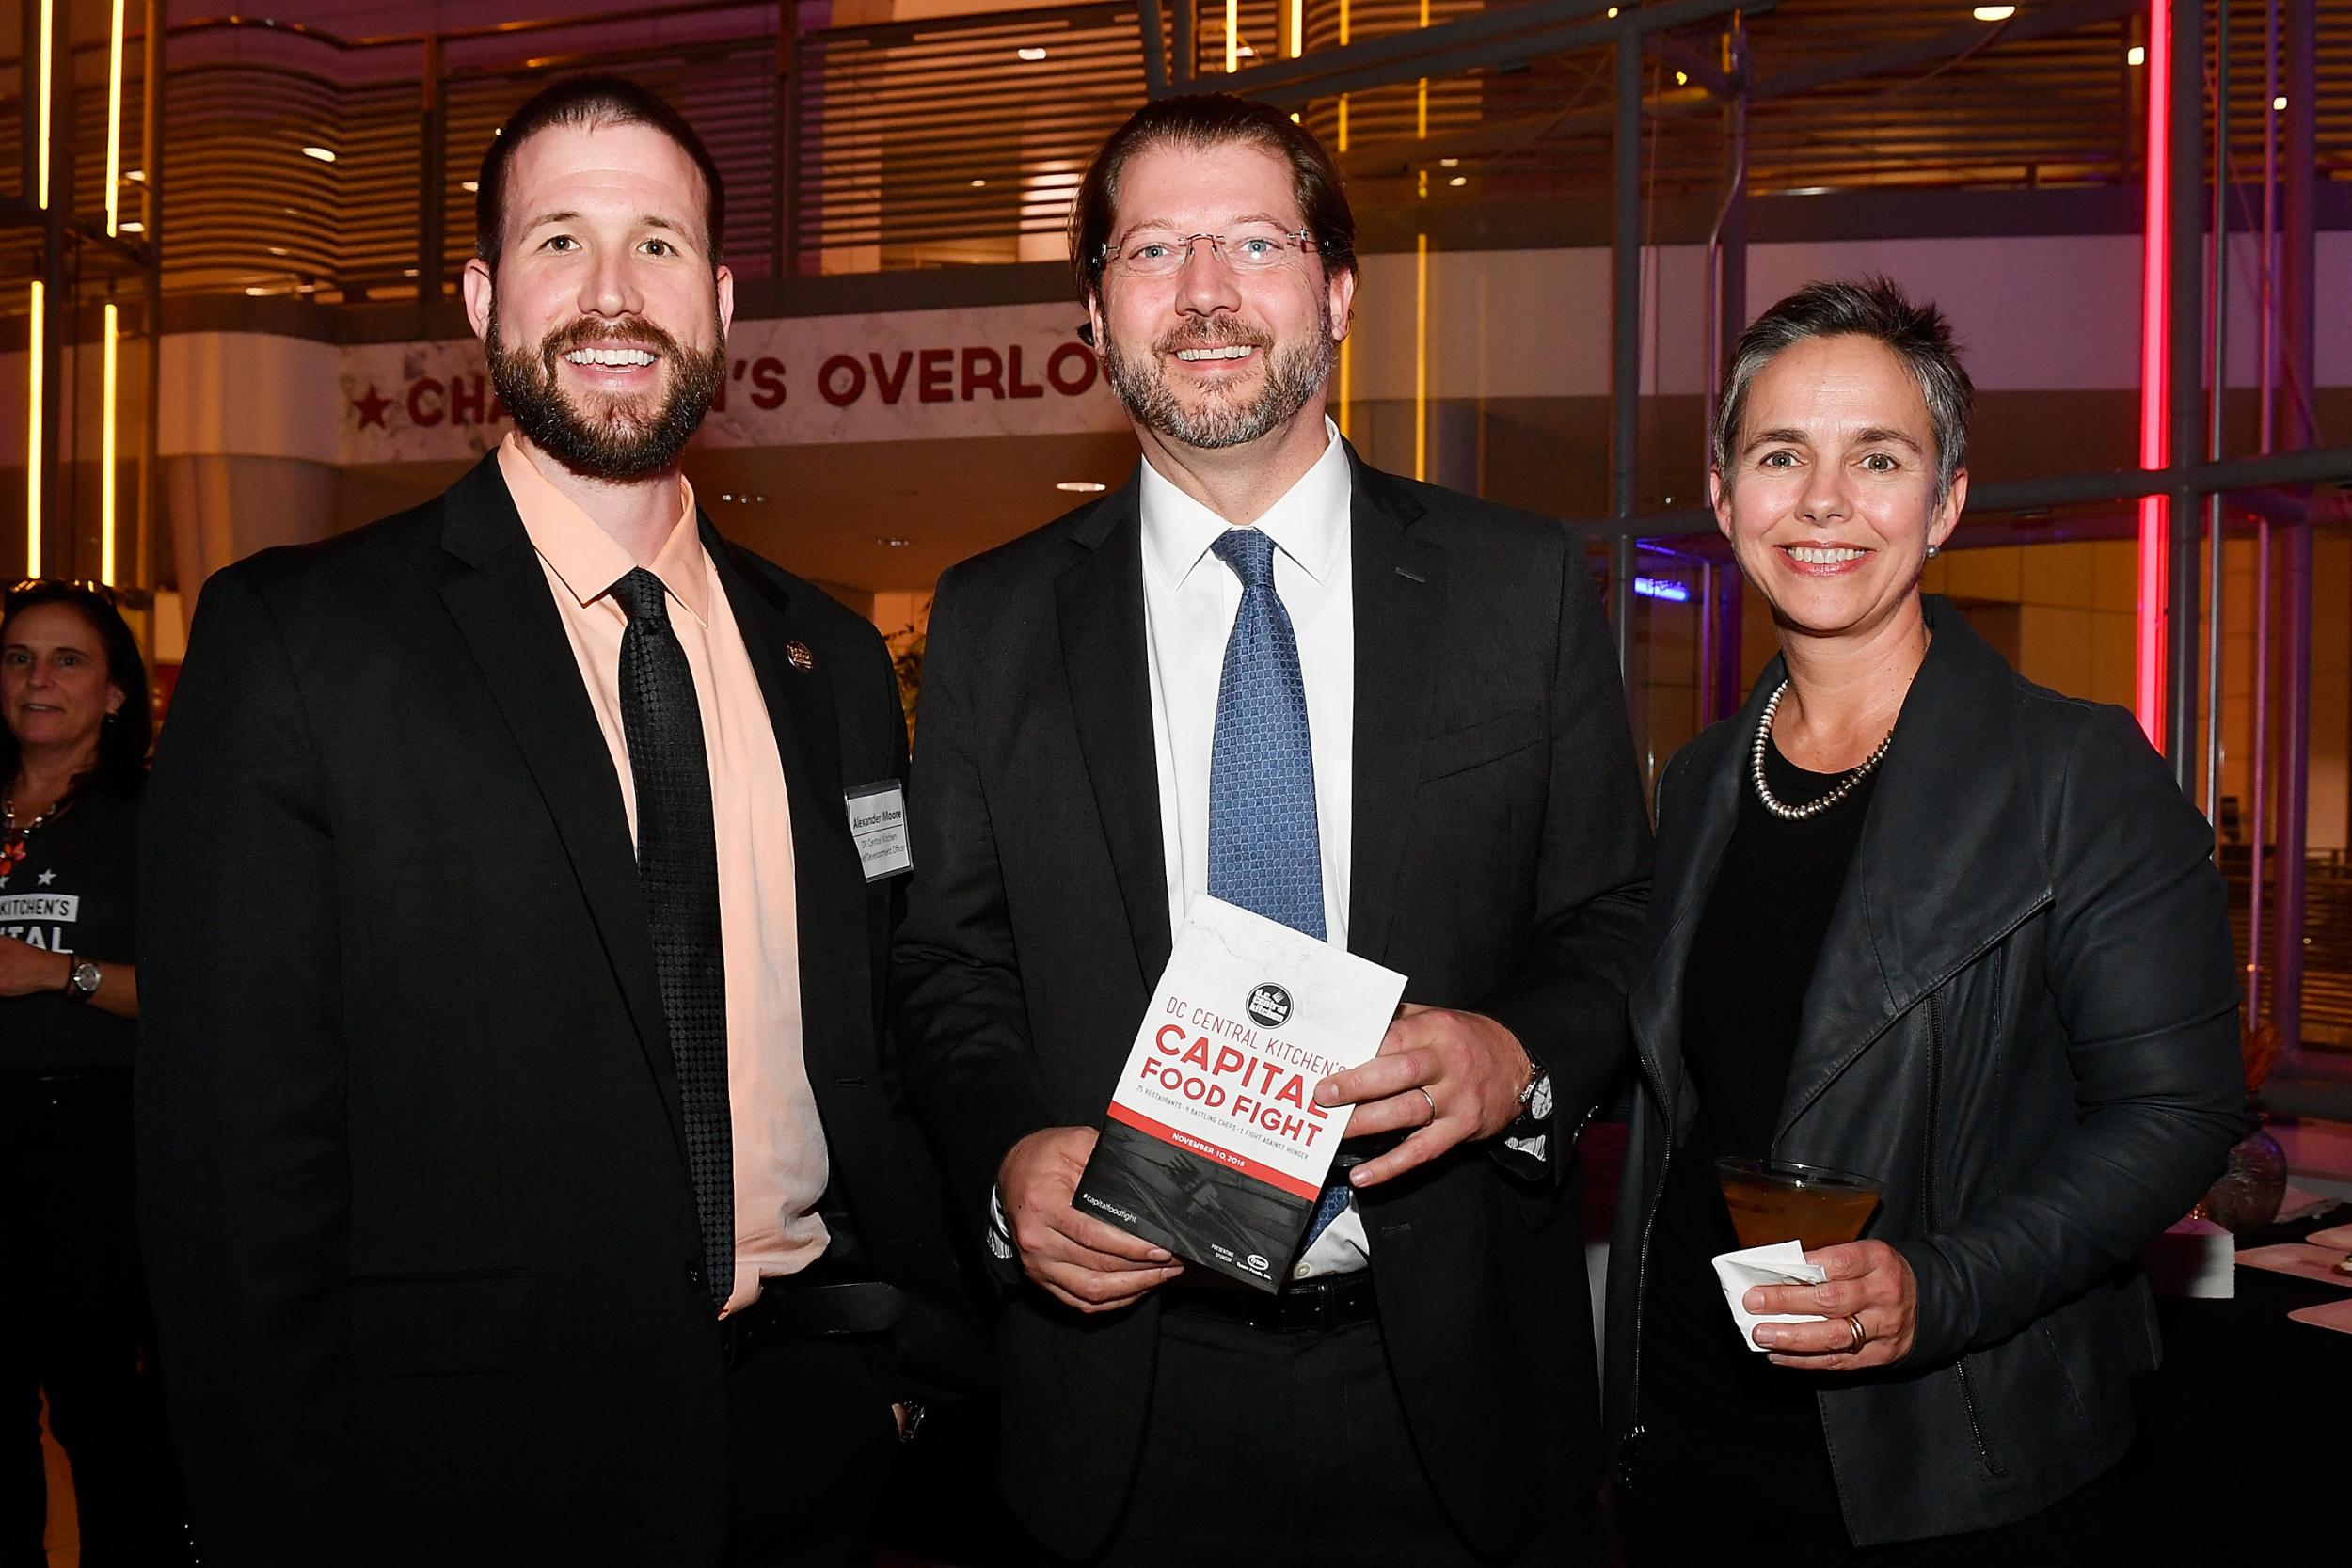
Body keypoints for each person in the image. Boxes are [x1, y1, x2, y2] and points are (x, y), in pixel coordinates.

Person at [137, 76, 979, 1567]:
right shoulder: (302, 641)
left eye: (659, 247)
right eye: (558, 243)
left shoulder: (830, 658)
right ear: (480, 295)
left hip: (825, 1438)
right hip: (469, 1470)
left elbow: (887, 1020)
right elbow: (230, 1157)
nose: (612, 295)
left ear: (721, 300)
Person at [891, 93, 1652, 1566]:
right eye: (1155, 250)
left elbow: (1617, 917)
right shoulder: (990, 619)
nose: (1207, 293)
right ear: (1097, 314)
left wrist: (1520, 1053)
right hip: (1122, 1396)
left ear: (1338, 289)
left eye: (1255, 240)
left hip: (1458, 1393)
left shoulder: (1522, 586)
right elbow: (947, 967)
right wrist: (1004, 1161)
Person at [1604, 277, 2245, 1560]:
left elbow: (2178, 1116)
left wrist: (1940, 1285)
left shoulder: (2077, 774)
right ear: (1726, 496)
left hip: (1948, 1452)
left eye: (1878, 457)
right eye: (1779, 455)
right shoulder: (1705, 776)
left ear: (1946, 499)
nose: (1824, 500)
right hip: (1690, 1430)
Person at [0, 580, 181, 1567]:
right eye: (19, 656)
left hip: (91, 1141)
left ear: (115, 694)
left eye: (68, 659)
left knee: (102, 1412)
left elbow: (206, 998)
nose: (38, 679)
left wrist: (52, 972)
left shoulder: (148, 819)